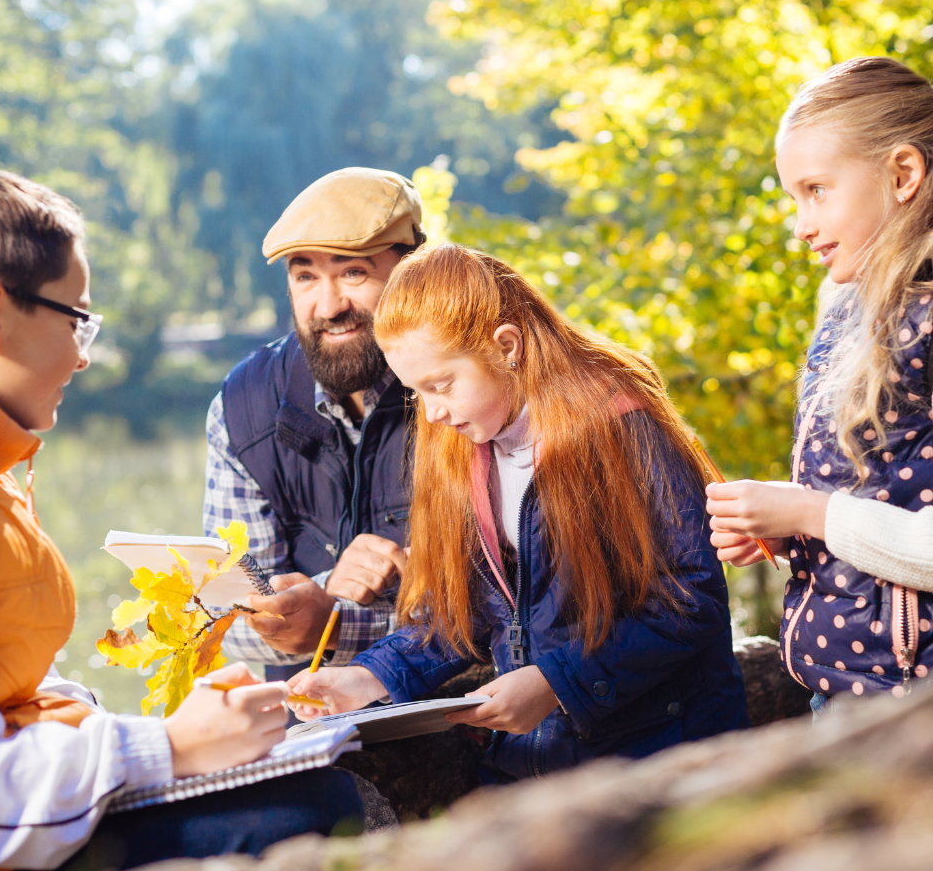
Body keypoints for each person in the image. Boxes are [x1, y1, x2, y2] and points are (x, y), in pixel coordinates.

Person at [0, 170, 361, 871]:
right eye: (76, 318)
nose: (84, 353)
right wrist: (166, 749)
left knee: (310, 793)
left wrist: (132, 730)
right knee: (300, 815)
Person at [288, 244, 748, 779]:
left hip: (660, 761)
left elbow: (691, 599)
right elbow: (466, 608)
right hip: (535, 762)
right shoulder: (467, 445)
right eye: (417, 393)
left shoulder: (621, 430)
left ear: (506, 346)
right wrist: (371, 676)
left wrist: (556, 683)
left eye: (441, 385)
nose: (432, 413)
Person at [704, 57, 933, 711]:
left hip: (908, 709)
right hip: (839, 693)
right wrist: (789, 528)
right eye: (792, 198)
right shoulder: (843, 307)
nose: (801, 224)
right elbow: (881, 493)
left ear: (903, 174)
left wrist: (813, 512)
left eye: (817, 190)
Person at [205, 168, 424, 679]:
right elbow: (223, 614)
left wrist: (334, 623)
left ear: (413, 270)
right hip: (309, 728)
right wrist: (323, 593)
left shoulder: (462, 389)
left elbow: (505, 613)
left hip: (463, 716)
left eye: (353, 273)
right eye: (305, 276)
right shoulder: (242, 408)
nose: (328, 306)